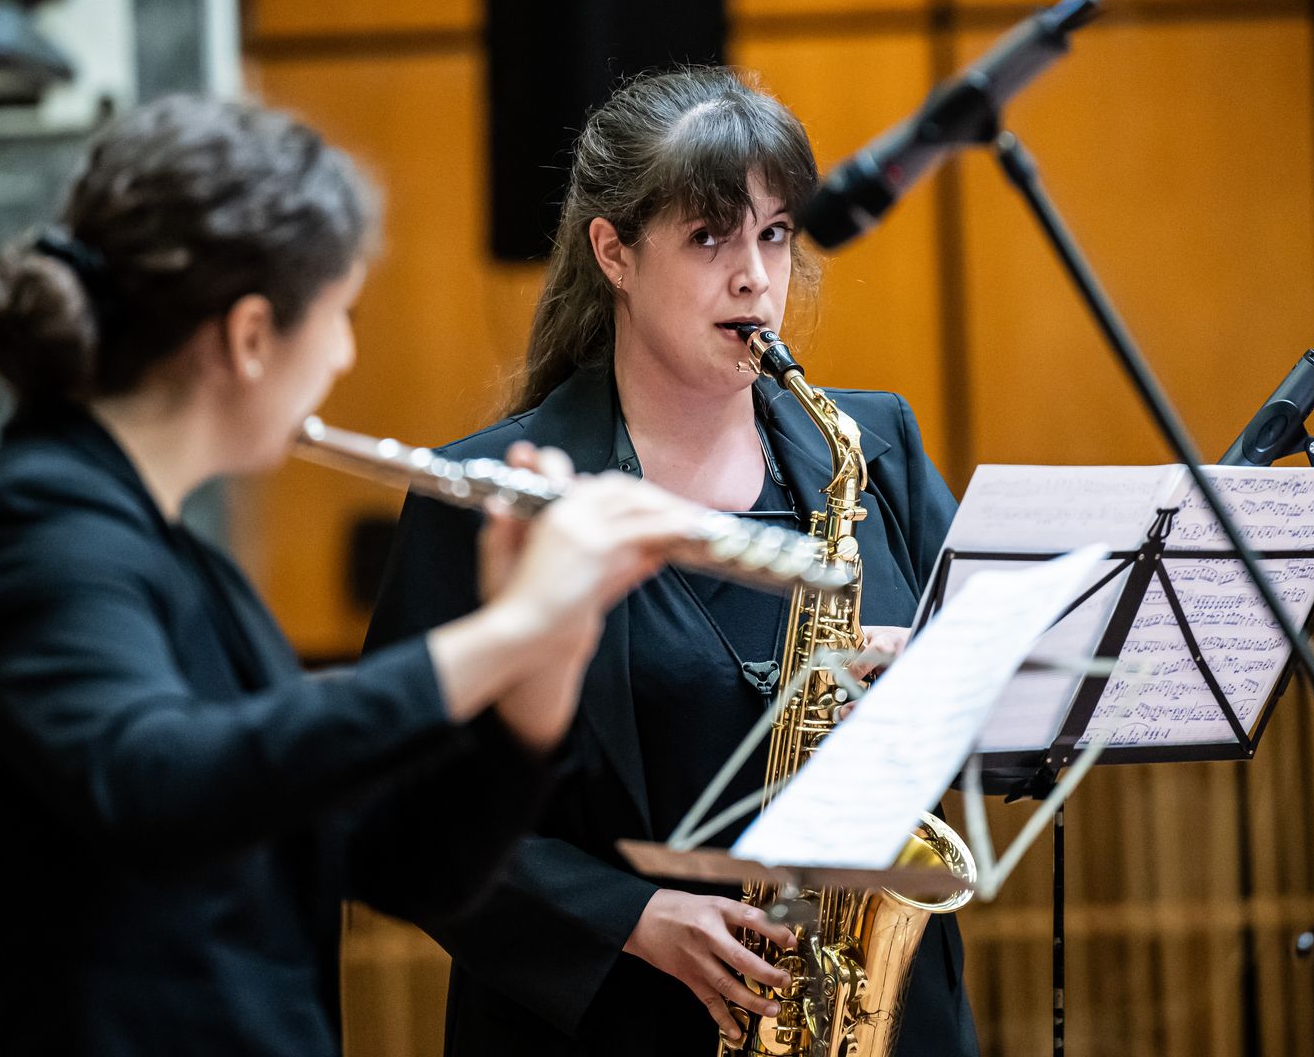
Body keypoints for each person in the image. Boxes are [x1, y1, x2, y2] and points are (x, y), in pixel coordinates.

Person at [0, 95, 703, 1057]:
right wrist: (506, 630)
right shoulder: (25, 532)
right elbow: (157, 784)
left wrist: (538, 679)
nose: (345, 355)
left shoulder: (179, 564)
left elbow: (406, 867)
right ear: (251, 336)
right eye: (341, 316)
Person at [364, 67, 979, 1056]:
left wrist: (937, 680)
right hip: (611, 1026)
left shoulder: (875, 448)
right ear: (613, 250)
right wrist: (631, 916)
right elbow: (401, 814)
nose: (755, 277)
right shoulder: (486, 495)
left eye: (774, 234)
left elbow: (1012, 720)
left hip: (874, 1016)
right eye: (708, 238)